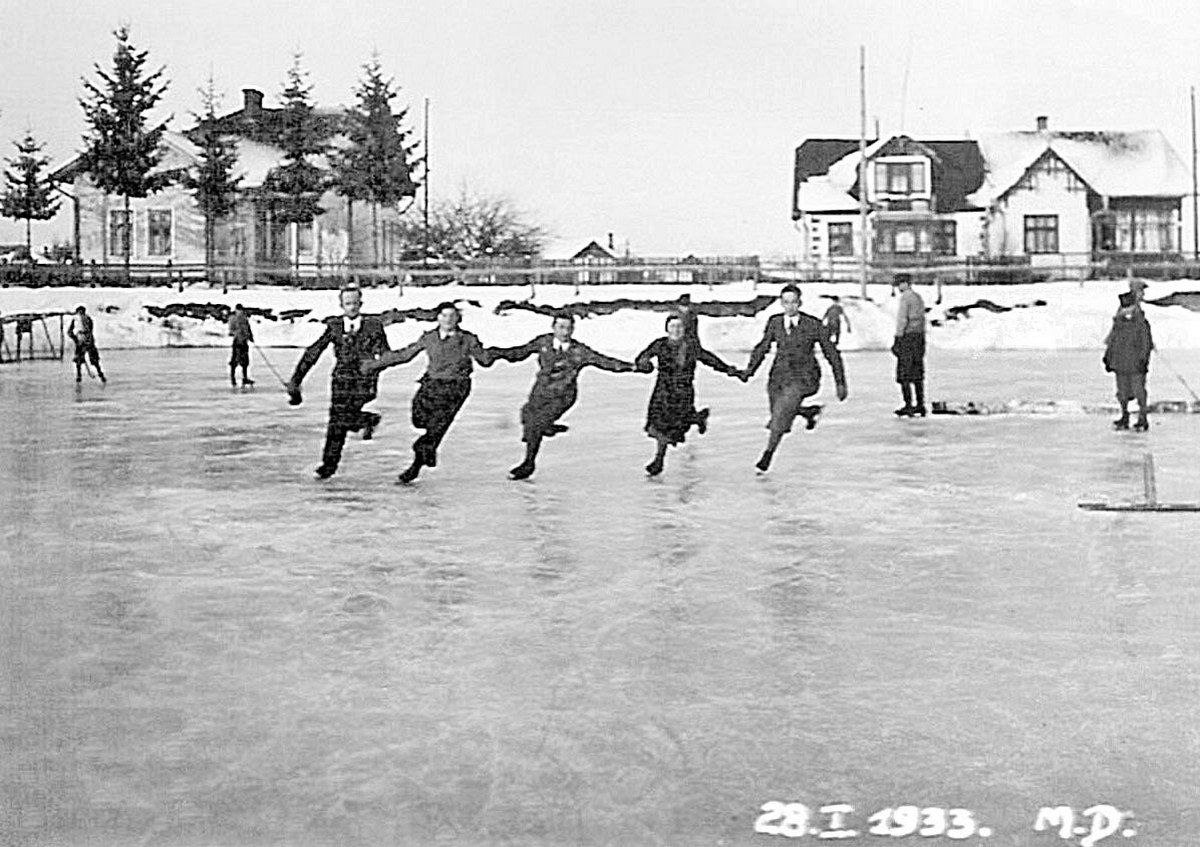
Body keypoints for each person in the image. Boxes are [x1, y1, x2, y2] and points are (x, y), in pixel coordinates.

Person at [489, 311, 640, 480]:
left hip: (563, 395)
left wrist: (632, 367)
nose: (565, 332)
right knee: (527, 416)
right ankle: (548, 427)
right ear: (553, 327)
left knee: (536, 425)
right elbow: (519, 352)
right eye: (561, 327)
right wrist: (497, 353)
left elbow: (604, 362)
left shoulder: (579, 351)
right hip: (540, 392)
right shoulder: (543, 342)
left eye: (568, 328)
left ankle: (529, 463)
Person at [362, 301, 495, 484]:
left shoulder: (467, 339)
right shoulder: (429, 337)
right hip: (431, 385)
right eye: (444, 315)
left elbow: (485, 360)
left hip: (455, 388)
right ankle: (428, 449)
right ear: (438, 317)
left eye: (452, 316)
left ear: (458, 319)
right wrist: (374, 365)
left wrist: (495, 354)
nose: (448, 320)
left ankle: (416, 466)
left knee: (435, 429)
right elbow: (405, 355)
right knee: (418, 419)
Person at [284, 287, 391, 479]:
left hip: (363, 381)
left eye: (355, 303)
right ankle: (330, 463)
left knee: (339, 420)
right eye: (348, 303)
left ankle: (364, 421)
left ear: (361, 304)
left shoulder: (373, 326)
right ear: (341, 305)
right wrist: (297, 379)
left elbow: (385, 354)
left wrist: (373, 368)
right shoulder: (334, 326)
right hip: (341, 380)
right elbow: (314, 352)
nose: (352, 307)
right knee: (336, 423)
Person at [743, 284, 847, 472]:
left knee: (781, 415)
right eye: (786, 303)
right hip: (779, 376)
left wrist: (840, 381)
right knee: (778, 411)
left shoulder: (813, 324)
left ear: (800, 303)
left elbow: (831, 353)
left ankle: (768, 454)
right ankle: (808, 412)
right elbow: (763, 346)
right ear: (781, 304)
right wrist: (750, 370)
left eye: (793, 302)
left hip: (804, 376)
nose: (790, 306)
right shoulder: (774, 322)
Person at [634, 313, 742, 476]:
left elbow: (710, 360)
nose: (676, 330)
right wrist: (643, 362)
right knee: (659, 426)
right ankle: (659, 460)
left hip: (683, 392)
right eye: (672, 327)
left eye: (679, 327)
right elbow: (644, 355)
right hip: (663, 391)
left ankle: (696, 418)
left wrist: (729, 370)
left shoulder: (690, 346)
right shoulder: (660, 344)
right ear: (667, 329)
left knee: (677, 425)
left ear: (684, 329)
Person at [1103, 291, 1154, 431]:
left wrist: (1144, 359)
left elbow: (1146, 343)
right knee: (1122, 392)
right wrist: (1108, 357)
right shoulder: (1118, 323)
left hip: (1136, 364)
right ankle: (1124, 415)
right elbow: (1112, 342)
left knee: (1139, 391)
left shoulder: (1141, 323)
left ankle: (1142, 417)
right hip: (1120, 364)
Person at [892, 273, 927, 417]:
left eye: (899, 284)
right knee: (917, 372)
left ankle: (908, 404)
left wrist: (897, 338)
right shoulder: (918, 297)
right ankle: (920, 404)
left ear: (905, 283)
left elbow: (902, 319)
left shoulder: (905, 298)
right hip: (919, 337)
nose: (898, 287)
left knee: (904, 373)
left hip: (907, 337)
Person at [68, 305, 106, 384]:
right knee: (78, 358)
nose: (81, 313)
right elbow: (69, 331)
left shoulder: (88, 319)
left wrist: (89, 339)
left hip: (88, 339)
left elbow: (91, 330)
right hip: (80, 339)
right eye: (79, 312)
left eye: (82, 312)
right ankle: (79, 376)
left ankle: (100, 374)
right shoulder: (75, 319)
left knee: (94, 358)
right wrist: (75, 339)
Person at [227, 303, 255, 387]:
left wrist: (250, 336)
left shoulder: (242, 318)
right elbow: (232, 330)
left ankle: (242, 378)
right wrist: (248, 336)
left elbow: (247, 328)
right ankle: (236, 378)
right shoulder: (235, 318)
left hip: (242, 341)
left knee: (243, 361)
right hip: (239, 342)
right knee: (237, 360)